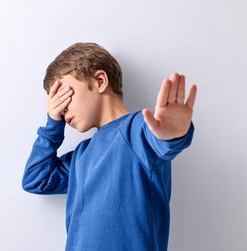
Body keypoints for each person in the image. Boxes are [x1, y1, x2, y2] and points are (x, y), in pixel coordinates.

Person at [22, 42, 197, 251]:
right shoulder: (81, 155)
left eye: (64, 95)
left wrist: (172, 133)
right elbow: (36, 179)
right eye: (55, 102)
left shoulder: (136, 130)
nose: (61, 108)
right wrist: (53, 124)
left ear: (99, 81)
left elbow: (161, 142)